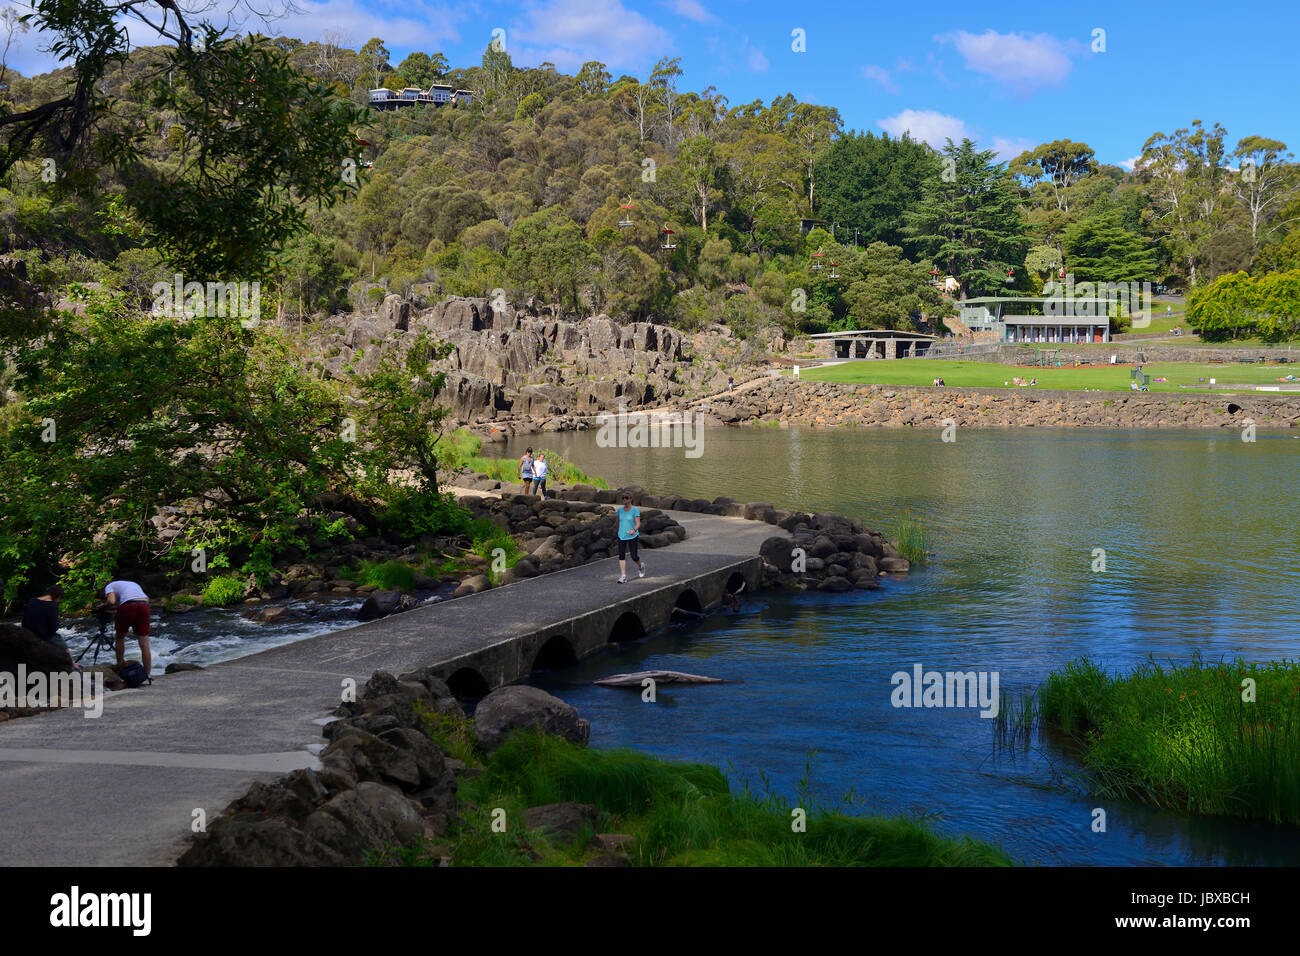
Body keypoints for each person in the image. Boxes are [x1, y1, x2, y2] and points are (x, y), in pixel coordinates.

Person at [21, 584, 79, 670]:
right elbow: (53, 628)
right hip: (43, 636)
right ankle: (73, 664)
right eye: (60, 599)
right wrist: (57, 619)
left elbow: (24, 621)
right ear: (58, 596)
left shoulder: (32, 601)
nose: (59, 601)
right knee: (62, 643)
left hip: (27, 633)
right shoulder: (52, 606)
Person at [102, 578, 152, 677]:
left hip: (128, 606)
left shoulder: (109, 586)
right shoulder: (132, 584)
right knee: (144, 643)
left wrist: (104, 606)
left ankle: (120, 666)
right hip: (144, 605)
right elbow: (143, 600)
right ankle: (147, 674)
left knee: (120, 637)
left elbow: (111, 601)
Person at [615, 493, 645, 584]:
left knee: (634, 556)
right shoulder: (620, 510)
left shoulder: (635, 510)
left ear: (630, 499)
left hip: (632, 536)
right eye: (623, 498)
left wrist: (634, 530)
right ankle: (623, 576)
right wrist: (616, 531)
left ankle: (641, 566)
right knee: (621, 555)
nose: (624, 499)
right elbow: (618, 522)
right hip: (621, 536)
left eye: (626, 498)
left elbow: (638, 523)